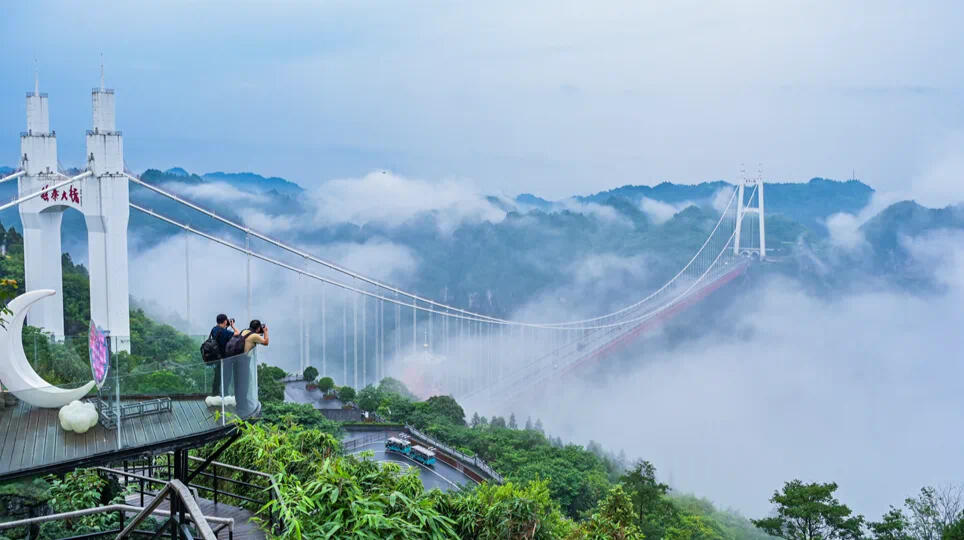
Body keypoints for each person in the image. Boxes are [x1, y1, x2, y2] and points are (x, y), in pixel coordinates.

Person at [232, 320, 270, 417]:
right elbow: (266, 342)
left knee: (238, 383)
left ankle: (240, 404)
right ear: (258, 328)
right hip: (244, 361)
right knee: (244, 384)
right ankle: (242, 408)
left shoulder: (244, 331)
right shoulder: (254, 336)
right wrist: (265, 331)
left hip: (236, 361)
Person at [210, 314, 239, 396]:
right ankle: (225, 393)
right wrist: (232, 326)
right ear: (225, 321)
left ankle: (214, 394)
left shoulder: (214, 329)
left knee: (217, 376)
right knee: (227, 376)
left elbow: (220, 334)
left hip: (216, 356)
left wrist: (226, 326)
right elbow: (237, 333)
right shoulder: (225, 332)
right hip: (225, 357)